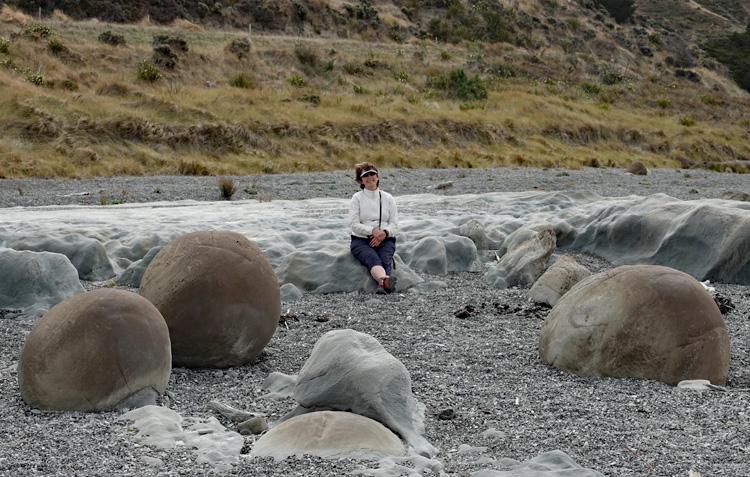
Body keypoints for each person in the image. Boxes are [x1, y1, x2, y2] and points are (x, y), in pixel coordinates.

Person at [349, 162, 398, 294]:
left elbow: (394, 224)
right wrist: (372, 231)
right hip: (361, 240)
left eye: (372, 174)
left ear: (378, 176)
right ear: (360, 180)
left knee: (385, 259)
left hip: (385, 238)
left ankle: (382, 284)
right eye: (366, 175)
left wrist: (385, 233)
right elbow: (354, 224)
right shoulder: (356, 198)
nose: (370, 177)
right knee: (372, 258)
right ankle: (385, 282)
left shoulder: (388, 198)